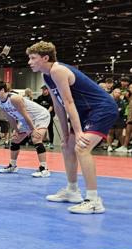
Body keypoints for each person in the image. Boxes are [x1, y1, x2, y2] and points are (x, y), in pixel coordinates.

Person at [28, 41, 117, 214]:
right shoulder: (46, 76)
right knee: (67, 146)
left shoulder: (58, 70)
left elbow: (69, 102)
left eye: (33, 58)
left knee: (82, 147)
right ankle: (72, 190)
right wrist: (65, 135)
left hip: (101, 108)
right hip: (84, 112)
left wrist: (78, 132)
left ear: (45, 58)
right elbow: (58, 105)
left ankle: (94, 200)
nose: (29, 62)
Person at [0, 81, 51, 177]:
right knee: (15, 139)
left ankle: (44, 168)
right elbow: (10, 117)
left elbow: (25, 114)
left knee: (36, 138)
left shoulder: (14, 98)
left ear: (2, 90)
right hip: (26, 119)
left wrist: (33, 129)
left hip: (40, 116)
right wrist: (17, 130)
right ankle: (12, 166)